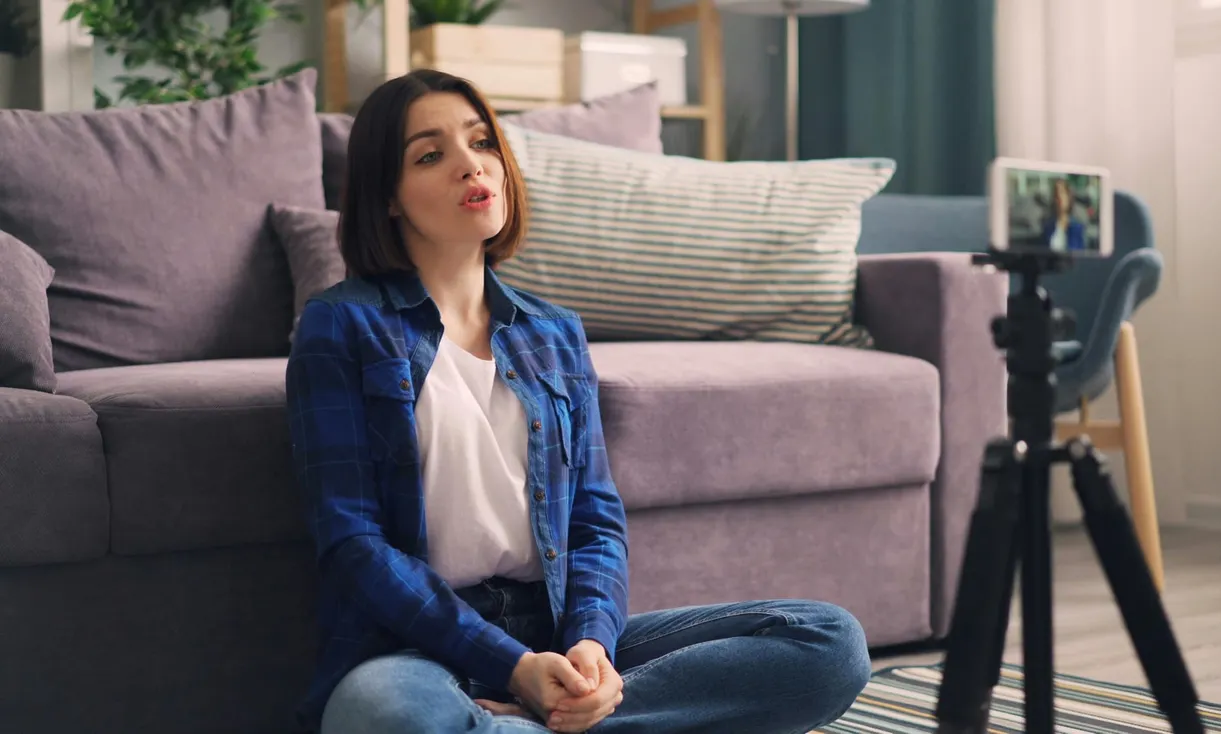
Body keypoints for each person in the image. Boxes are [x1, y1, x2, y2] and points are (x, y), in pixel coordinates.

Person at [285, 68, 873, 734]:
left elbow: (595, 517)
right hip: (418, 649)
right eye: (430, 154)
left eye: (482, 143)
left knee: (827, 642)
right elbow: (353, 544)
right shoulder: (342, 326)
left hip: (556, 629)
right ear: (387, 198)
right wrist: (512, 667)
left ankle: (548, 721)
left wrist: (591, 649)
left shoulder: (552, 331)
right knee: (383, 716)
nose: (470, 165)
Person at [1043, 178, 1087, 252]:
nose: (1059, 197)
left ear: (1068, 197)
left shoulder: (1078, 228)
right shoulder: (1047, 226)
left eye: (1062, 193)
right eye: (1056, 194)